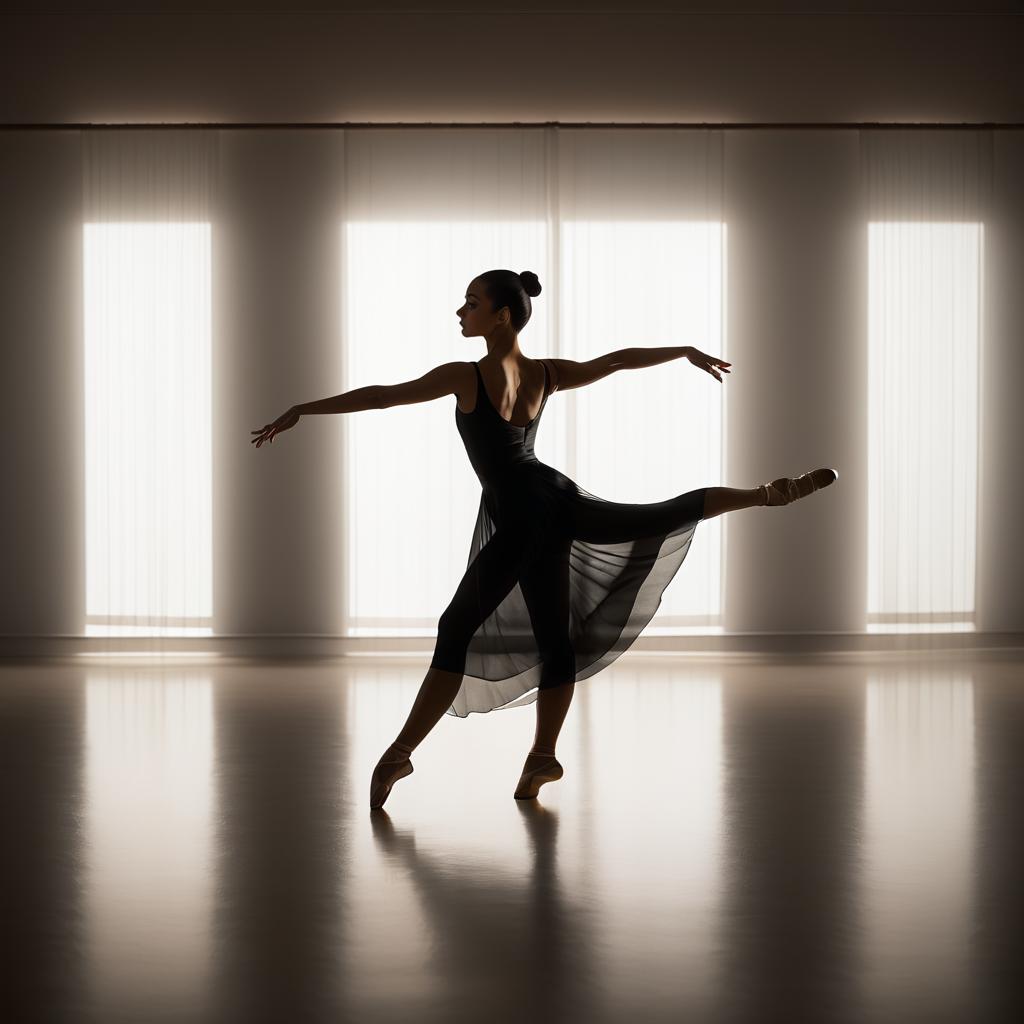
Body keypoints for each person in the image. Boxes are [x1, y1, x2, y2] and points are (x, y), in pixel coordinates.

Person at [251, 269, 837, 809]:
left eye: (472, 304)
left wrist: (304, 408)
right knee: (599, 581)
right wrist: (680, 352)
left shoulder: (467, 376)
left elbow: (383, 395)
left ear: (501, 315)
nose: (461, 312)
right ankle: (541, 757)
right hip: (553, 498)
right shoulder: (546, 373)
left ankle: (400, 754)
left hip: (525, 511)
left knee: (457, 628)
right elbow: (615, 362)